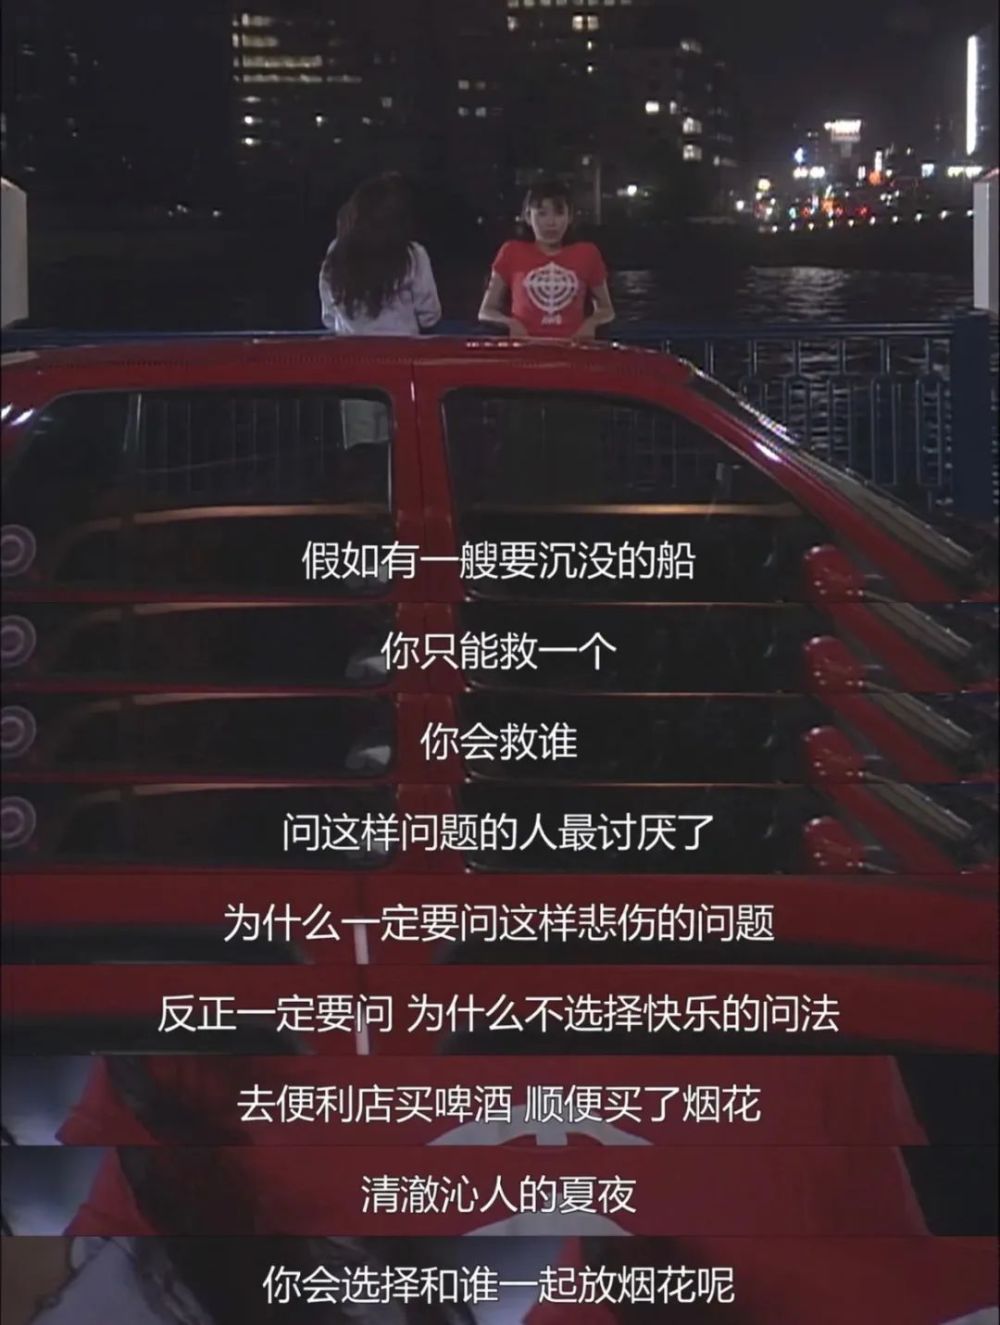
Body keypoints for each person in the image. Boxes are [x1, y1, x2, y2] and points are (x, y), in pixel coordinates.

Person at [478, 179, 614, 341]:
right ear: (528, 217)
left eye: (559, 213)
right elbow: (486, 311)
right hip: (524, 347)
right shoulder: (510, 251)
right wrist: (511, 324)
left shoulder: (588, 253)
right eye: (542, 214)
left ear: (570, 217)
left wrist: (591, 324)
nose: (551, 222)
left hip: (572, 347)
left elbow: (606, 309)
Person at [319, 173, 441, 336]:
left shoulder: (336, 253)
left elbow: (328, 317)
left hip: (349, 350)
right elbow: (429, 317)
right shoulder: (414, 256)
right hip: (402, 350)